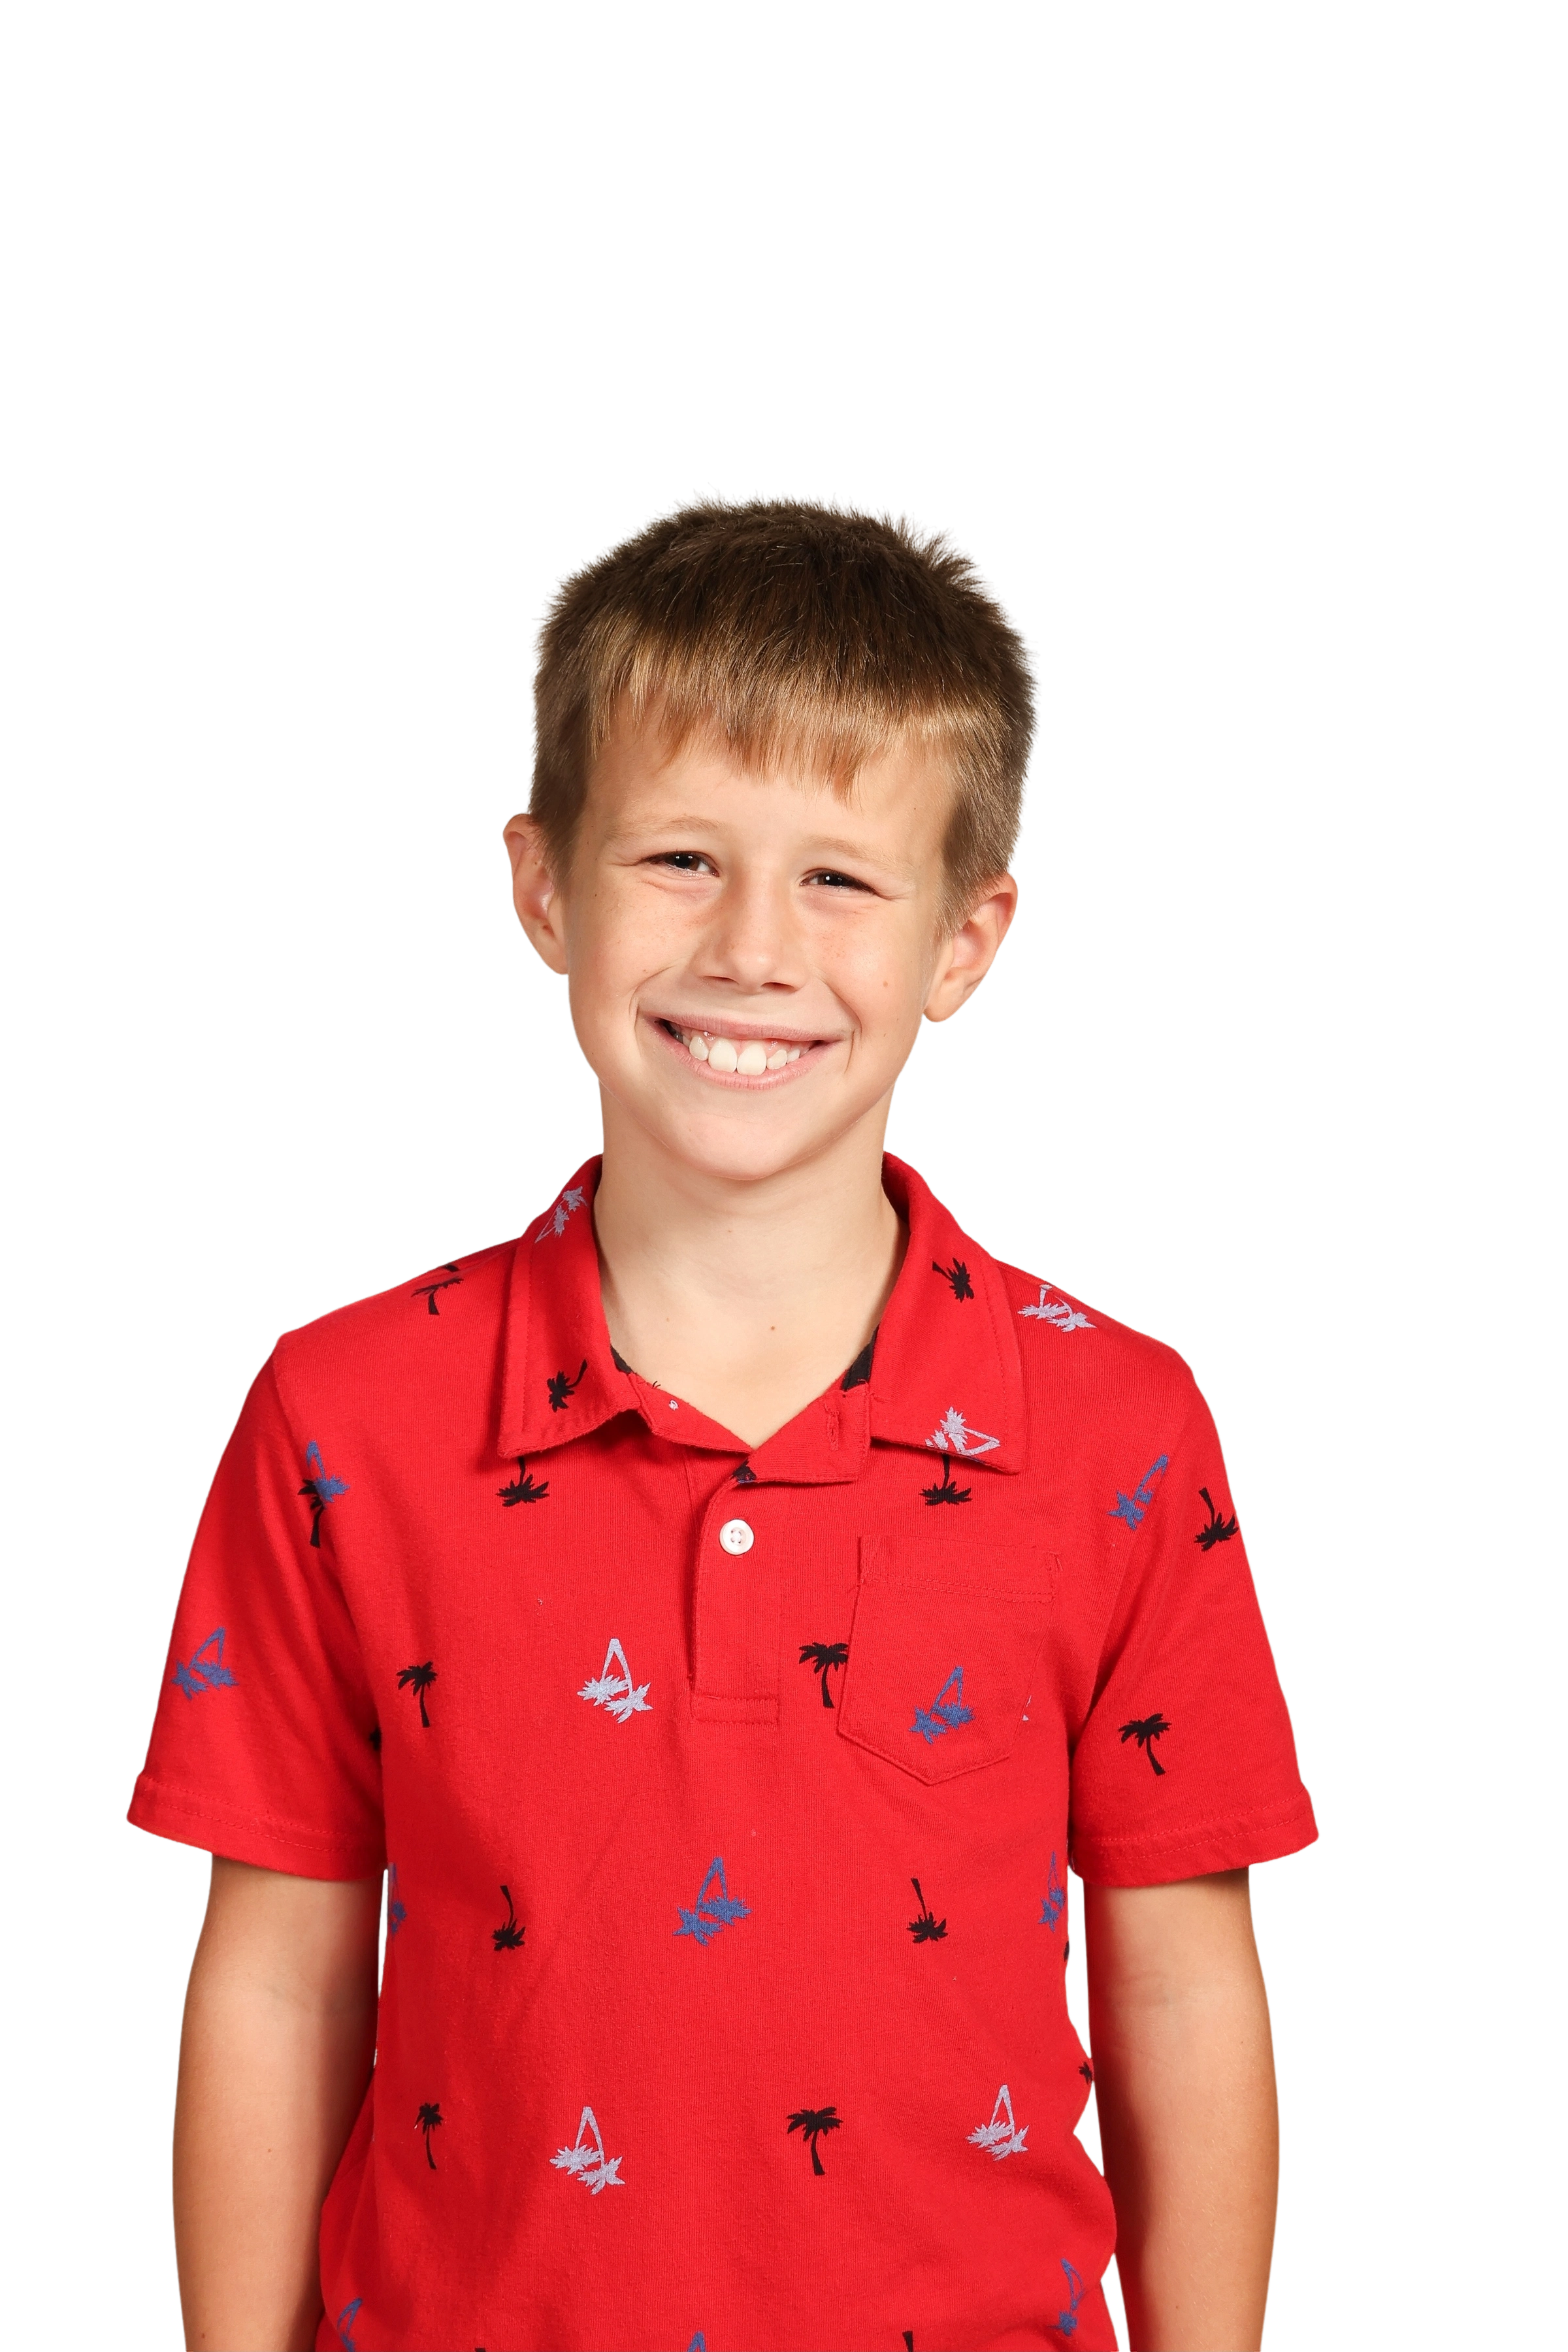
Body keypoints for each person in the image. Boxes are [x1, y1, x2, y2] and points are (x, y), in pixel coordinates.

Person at [125, 487, 1321, 2352]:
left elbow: (1181, 1988)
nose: (754, 948)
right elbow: (281, 1983)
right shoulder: (341, 1414)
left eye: (841, 879)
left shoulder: (1116, 1429)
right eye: (682, 858)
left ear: (966, 940)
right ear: (544, 886)